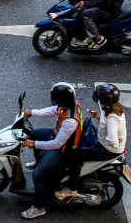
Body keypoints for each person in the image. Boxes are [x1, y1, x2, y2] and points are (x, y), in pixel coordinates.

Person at [19, 82, 86, 219]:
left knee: (37, 176)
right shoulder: (69, 104)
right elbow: (53, 110)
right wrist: (33, 113)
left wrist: (35, 144)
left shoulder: (70, 121)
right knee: (32, 132)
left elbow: (57, 144)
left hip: (63, 150)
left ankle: (39, 207)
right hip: (58, 136)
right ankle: (40, 161)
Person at [55, 84, 126, 201]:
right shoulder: (113, 108)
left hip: (108, 150)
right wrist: (98, 116)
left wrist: (111, 138)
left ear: (104, 101)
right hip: (105, 143)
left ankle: (71, 189)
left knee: (74, 155)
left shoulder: (113, 118)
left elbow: (113, 141)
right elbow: (107, 124)